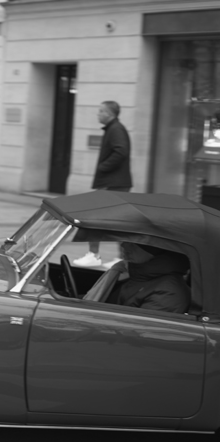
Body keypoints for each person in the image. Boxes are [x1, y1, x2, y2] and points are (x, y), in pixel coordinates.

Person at [74, 101, 132, 267]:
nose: (98, 114)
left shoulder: (116, 129)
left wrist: (103, 167)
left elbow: (121, 151)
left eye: (101, 111)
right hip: (113, 182)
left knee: (97, 218)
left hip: (112, 183)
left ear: (109, 114)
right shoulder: (113, 129)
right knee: (112, 221)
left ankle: (97, 255)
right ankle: (116, 257)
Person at [83, 242, 190, 314]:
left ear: (155, 250)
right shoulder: (129, 272)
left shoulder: (168, 292)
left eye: (134, 242)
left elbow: (139, 332)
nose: (124, 245)